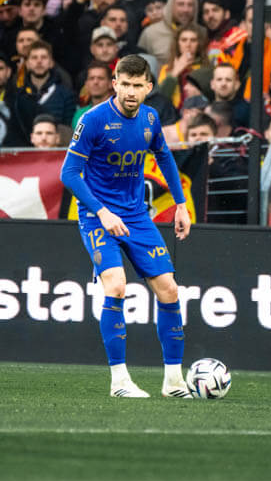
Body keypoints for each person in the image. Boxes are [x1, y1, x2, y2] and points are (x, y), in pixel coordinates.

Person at [59, 54, 193, 399]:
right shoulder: (93, 120)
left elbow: (164, 156)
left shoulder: (150, 118)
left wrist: (180, 205)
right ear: (114, 84)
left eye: (137, 86)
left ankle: (173, 382)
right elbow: (68, 174)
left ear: (149, 87)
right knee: (116, 286)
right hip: (97, 217)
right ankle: (119, 381)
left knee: (170, 290)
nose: (130, 92)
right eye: (125, 85)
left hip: (136, 215)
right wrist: (102, 212)